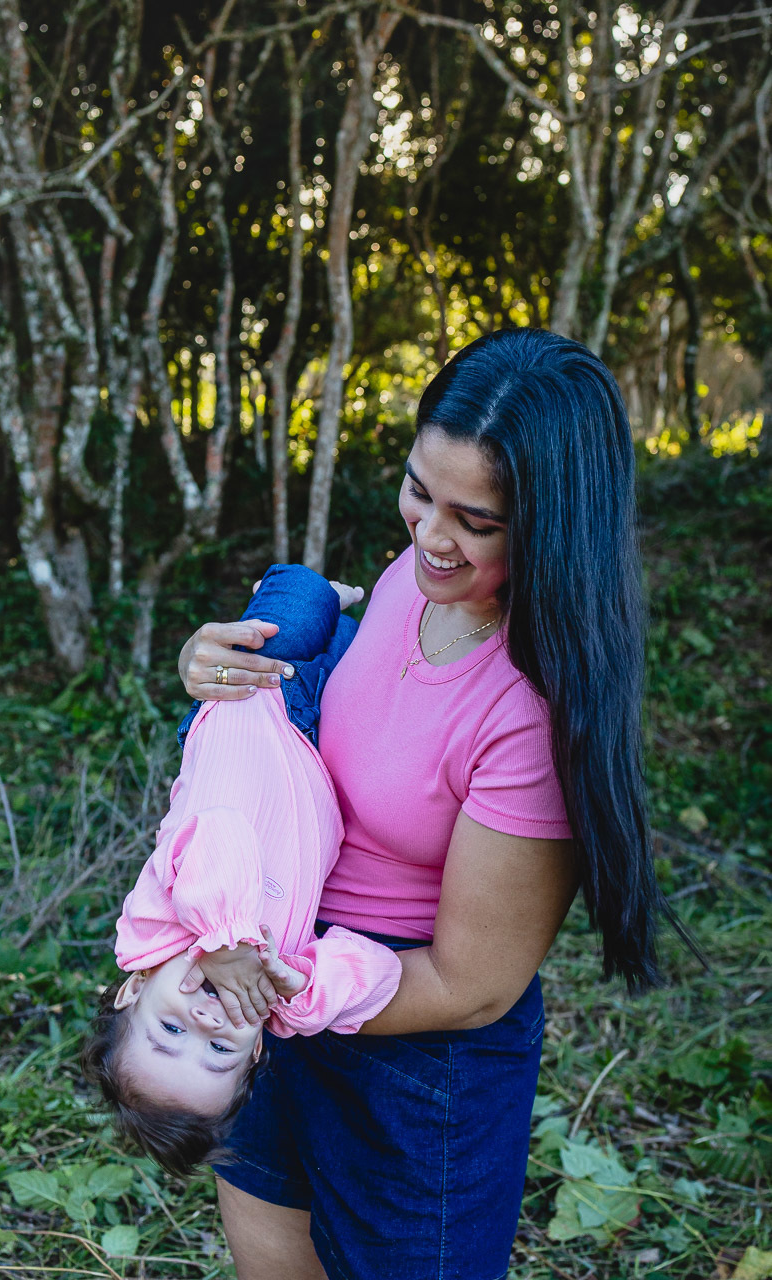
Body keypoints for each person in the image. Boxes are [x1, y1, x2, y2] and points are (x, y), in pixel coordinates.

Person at [177, 328, 670, 1280]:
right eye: (418, 490)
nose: (429, 537)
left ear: (551, 523)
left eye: (475, 521)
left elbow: (470, 982)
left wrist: (278, 989)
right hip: (289, 984)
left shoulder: (532, 715)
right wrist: (222, 668)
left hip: (410, 1066)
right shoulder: (418, 576)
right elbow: (364, 711)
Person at [81, 567, 402, 1177]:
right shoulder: (274, 992)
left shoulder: (156, 930)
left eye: (169, 1030)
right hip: (314, 739)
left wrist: (227, 941)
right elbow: (378, 969)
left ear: (132, 991)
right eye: (219, 1051)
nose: (204, 1022)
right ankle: (359, 619)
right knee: (379, 654)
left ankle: (319, 591)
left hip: (251, 705)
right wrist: (306, 994)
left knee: (297, 613)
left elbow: (219, 833)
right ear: (256, 1048)